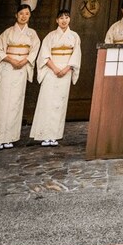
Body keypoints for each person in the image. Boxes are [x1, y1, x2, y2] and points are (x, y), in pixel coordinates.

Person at [0, 4, 38, 150]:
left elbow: (34, 51)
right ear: (16, 15)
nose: (24, 16)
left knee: (16, 102)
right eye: (21, 13)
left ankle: (9, 137)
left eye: (27, 14)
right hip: (7, 67)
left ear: (30, 16)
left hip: (21, 68)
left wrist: (23, 61)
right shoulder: (7, 33)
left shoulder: (32, 34)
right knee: (2, 101)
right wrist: (12, 60)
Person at [30, 9, 82, 146]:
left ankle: (54, 135)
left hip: (66, 70)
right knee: (47, 101)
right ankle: (44, 135)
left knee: (60, 103)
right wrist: (55, 69)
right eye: (61, 18)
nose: (64, 20)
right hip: (51, 70)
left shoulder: (74, 36)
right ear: (57, 21)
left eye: (66, 17)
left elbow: (76, 56)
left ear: (69, 19)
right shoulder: (50, 36)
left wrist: (66, 69)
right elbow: (44, 55)